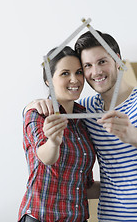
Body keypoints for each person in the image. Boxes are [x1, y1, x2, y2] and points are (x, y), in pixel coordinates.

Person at [26, 31, 137, 221]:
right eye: (87, 66)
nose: (96, 72)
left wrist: (132, 134)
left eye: (102, 62)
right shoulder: (88, 110)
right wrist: (32, 105)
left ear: (118, 61)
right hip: (112, 216)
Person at [18, 46, 99, 222]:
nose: (74, 79)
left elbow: (83, 185)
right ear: (48, 80)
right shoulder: (37, 114)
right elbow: (45, 156)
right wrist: (54, 142)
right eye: (65, 73)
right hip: (41, 217)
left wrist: (129, 184)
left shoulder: (83, 118)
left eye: (78, 72)